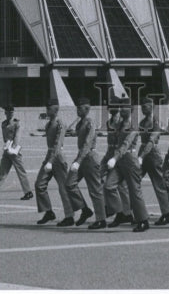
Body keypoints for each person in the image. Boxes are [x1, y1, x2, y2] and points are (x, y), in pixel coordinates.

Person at [104, 98, 150, 232]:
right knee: (109, 186)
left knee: (135, 191)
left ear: (130, 110)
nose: (121, 109)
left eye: (124, 107)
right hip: (119, 160)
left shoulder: (133, 125)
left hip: (129, 159)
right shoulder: (118, 125)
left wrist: (115, 157)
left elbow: (126, 144)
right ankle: (122, 213)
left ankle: (143, 220)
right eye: (120, 107)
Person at [64, 98, 106, 229]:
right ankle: (84, 209)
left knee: (95, 190)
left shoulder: (90, 123)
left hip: (90, 158)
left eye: (80, 108)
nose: (77, 110)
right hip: (81, 157)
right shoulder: (80, 123)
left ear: (87, 109)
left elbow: (87, 143)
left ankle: (101, 219)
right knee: (69, 183)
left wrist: (78, 161)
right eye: (77, 107)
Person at [34, 100, 74, 226]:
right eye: (46, 108)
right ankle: (48, 211)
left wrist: (50, 161)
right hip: (49, 156)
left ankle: (69, 216)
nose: (47, 111)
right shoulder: (48, 125)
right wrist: (48, 160)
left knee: (63, 188)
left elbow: (57, 144)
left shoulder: (60, 124)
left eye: (49, 108)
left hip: (58, 157)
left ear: (55, 110)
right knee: (39, 184)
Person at [0, 104, 33, 202]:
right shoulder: (4, 124)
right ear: (5, 113)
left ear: (13, 113)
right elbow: (4, 138)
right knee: (1, 172)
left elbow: (17, 137)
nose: (10, 114)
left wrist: (13, 148)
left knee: (20, 171)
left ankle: (28, 192)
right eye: (8, 112)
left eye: (11, 112)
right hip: (7, 150)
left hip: (14, 151)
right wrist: (6, 147)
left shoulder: (16, 123)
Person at [137, 96, 169, 225]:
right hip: (143, 153)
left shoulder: (156, 122)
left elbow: (152, 140)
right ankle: (130, 212)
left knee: (159, 185)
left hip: (153, 155)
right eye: (142, 106)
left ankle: (166, 213)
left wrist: (141, 156)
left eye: (145, 106)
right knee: (133, 182)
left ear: (151, 107)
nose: (142, 108)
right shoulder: (142, 123)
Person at [102, 99, 131, 225]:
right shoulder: (109, 123)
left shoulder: (123, 122)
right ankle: (113, 208)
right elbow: (110, 144)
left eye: (114, 106)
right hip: (110, 155)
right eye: (109, 107)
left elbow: (125, 142)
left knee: (121, 186)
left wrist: (115, 157)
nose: (111, 109)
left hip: (120, 156)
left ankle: (125, 213)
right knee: (100, 178)